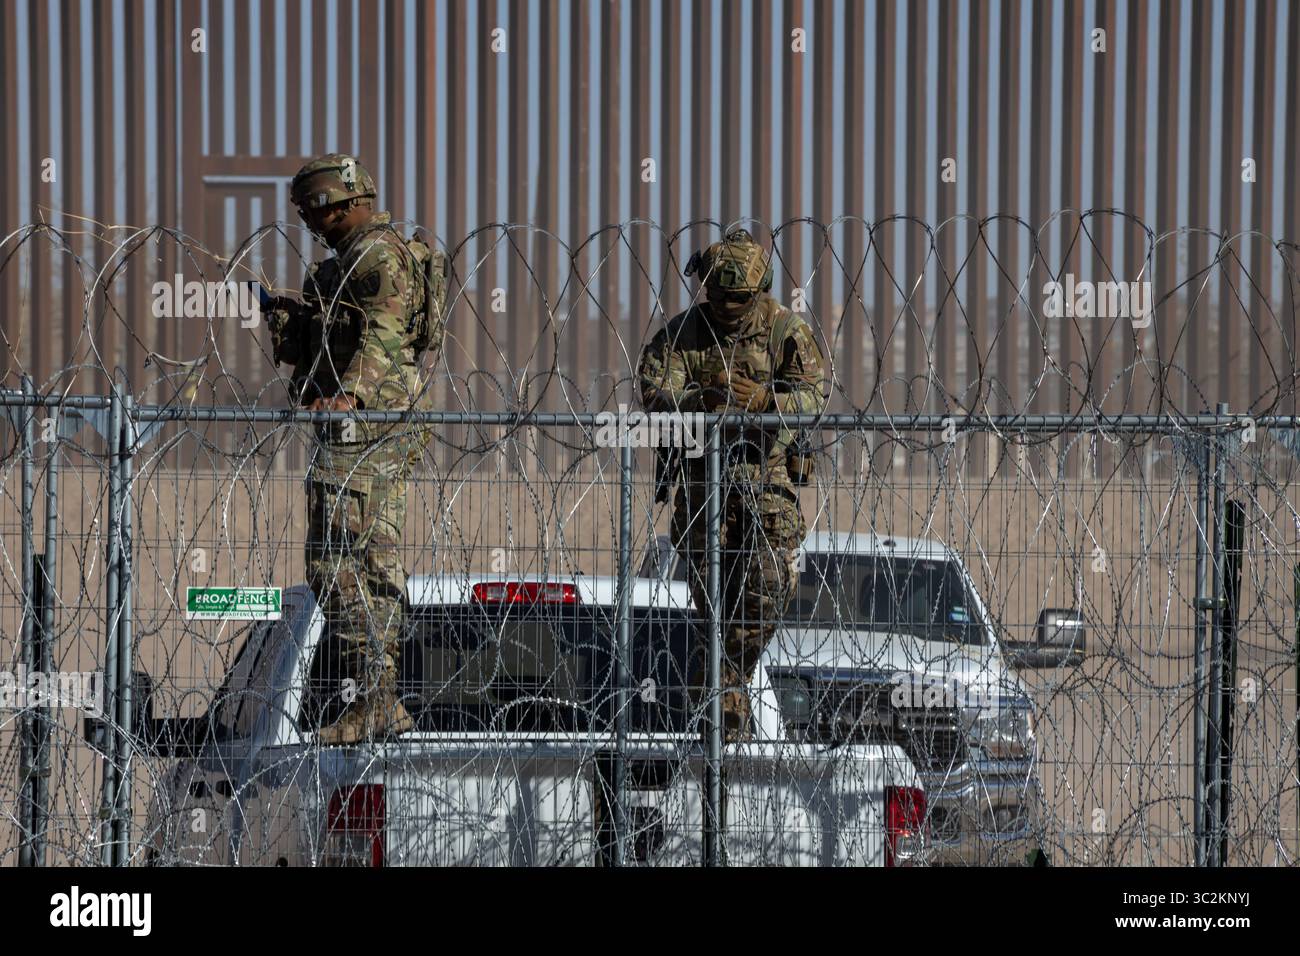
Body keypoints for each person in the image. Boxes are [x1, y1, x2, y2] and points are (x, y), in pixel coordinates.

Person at [264, 153, 448, 745]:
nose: (311, 225)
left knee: (334, 562)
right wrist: (289, 318)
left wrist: (349, 396)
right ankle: (378, 699)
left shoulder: (374, 255)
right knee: (369, 564)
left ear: (338, 205)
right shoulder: (344, 265)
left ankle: (375, 693)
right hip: (380, 422)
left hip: (366, 426)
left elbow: (384, 335)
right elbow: (318, 348)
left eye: (314, 213)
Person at [637, 229, 827, 740]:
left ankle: (725, 680)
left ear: (760, 291)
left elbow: (816, 395)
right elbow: (653, 392)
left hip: (766, 480)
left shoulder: (786, 332)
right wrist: (704, 400)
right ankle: (724, 693)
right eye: (717, 298)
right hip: (704, 483)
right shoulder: (683, 334)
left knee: (767, 585)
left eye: (738, 300)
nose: (726, 309)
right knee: (711, 595)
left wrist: (767, 403)